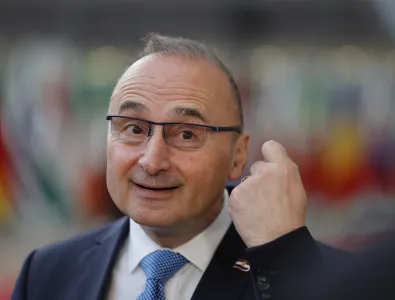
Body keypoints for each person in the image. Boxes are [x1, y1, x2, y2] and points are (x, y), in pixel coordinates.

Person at [11, 33, 354, 300]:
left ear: (238, 156)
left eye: (188, 134)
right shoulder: (46, 274)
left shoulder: (320, 278)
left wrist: (285, 262)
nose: (152, 160)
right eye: (133, 128)